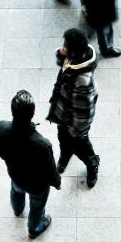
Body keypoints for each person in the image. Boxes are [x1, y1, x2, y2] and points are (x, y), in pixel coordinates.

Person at [0, 90, 61, 239]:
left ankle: (17, 210)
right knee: (37, 206)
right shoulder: (42, 145)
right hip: (36, 186)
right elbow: (50, 170)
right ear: (33, 113)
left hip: (15, 175)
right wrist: (57, 182)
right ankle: (34, 228)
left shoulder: (1, 128)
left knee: (16, 192)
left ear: (12, 111)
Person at [47, 28, 100, 188]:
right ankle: (65, 154)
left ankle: (92, 164)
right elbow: (63, 63)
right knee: (62, 139)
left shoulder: (83, 81)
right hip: (64, 113)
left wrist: (75, 132)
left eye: (65, 47)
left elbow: (84, 113)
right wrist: (62, 54)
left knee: (81, 148)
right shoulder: (75, 58)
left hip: (75, 125)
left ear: (74, 52)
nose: (62, 48)